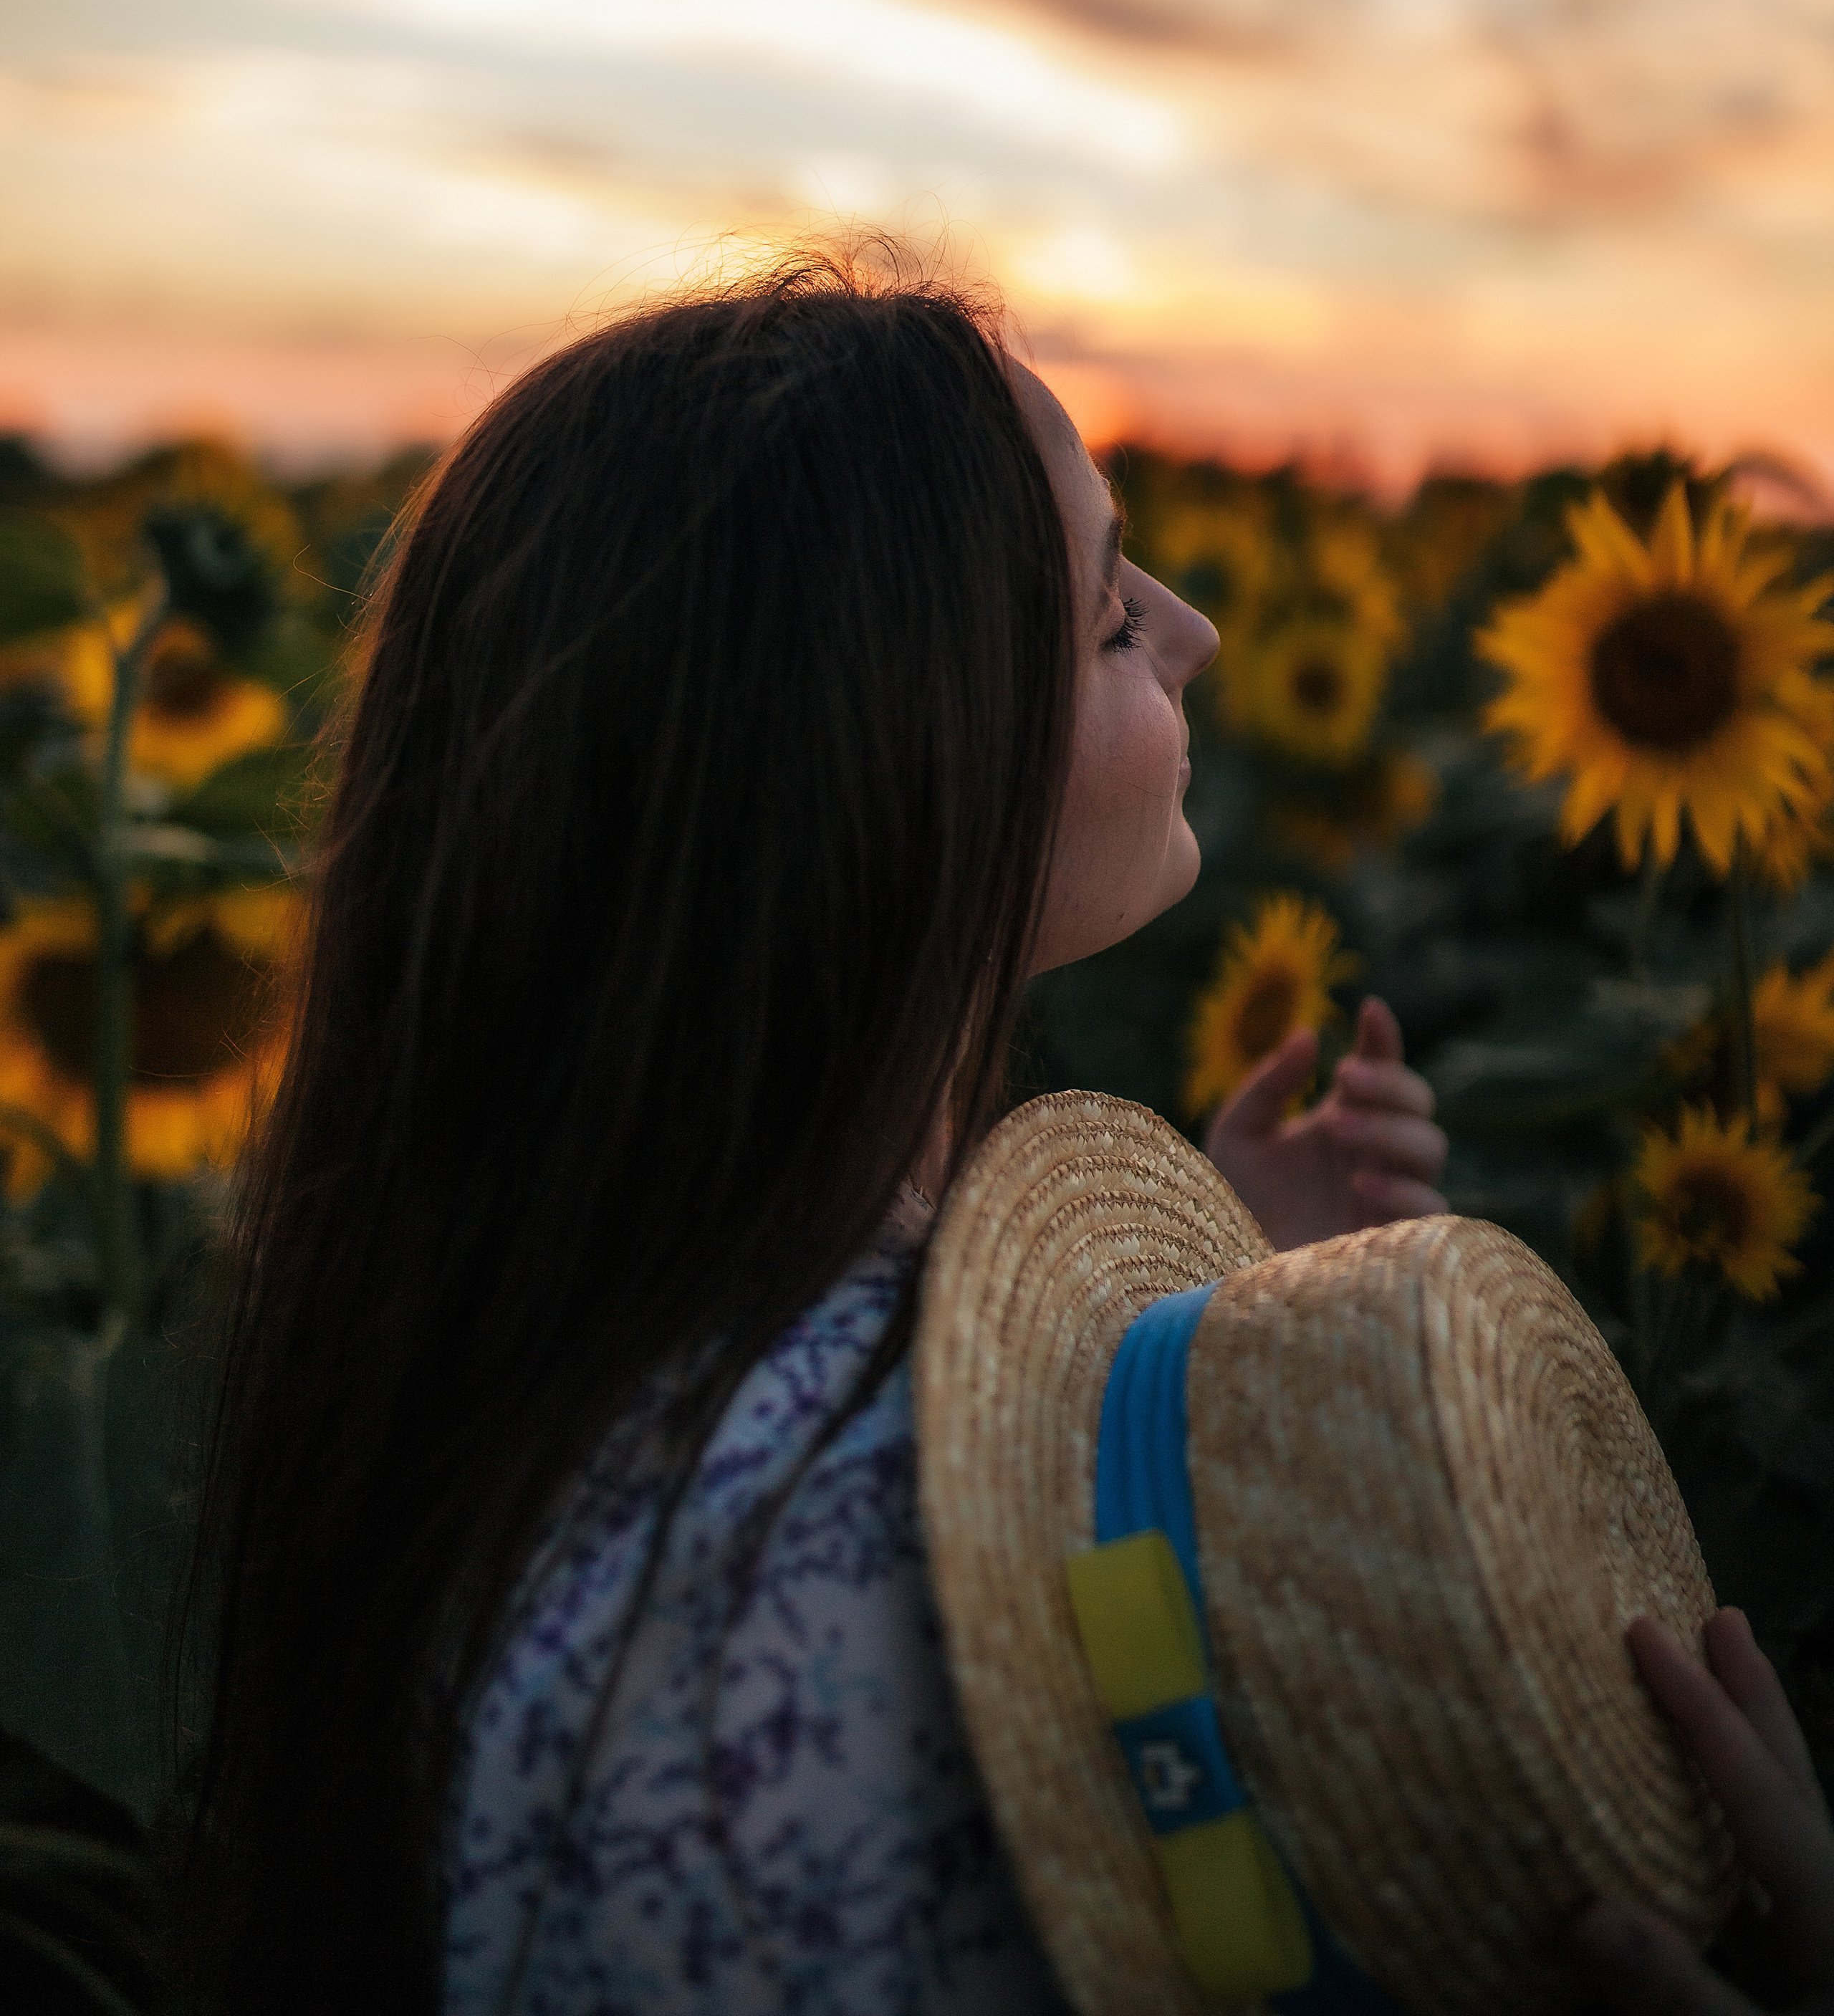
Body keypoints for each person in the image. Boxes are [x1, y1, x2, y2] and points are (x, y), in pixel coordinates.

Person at [180, 256, 1832, 2016]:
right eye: (1112, 617)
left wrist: (1210, 1352)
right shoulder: (851, 1579)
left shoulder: (539, 1342)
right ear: (888, 753)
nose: (1193, 633)